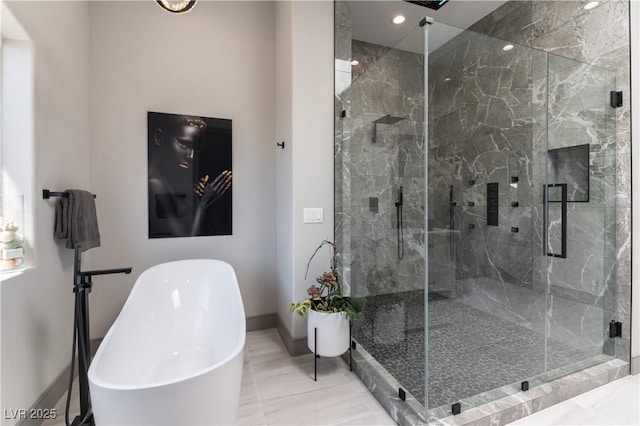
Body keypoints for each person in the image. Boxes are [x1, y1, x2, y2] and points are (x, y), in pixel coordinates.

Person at [147, 112, 232, 237]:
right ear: (159, 137)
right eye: (184, 144)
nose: (191, 156)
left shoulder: (173, 182)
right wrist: (203, 204)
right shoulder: (155, 184)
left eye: (196, 148)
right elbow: (184, 243)